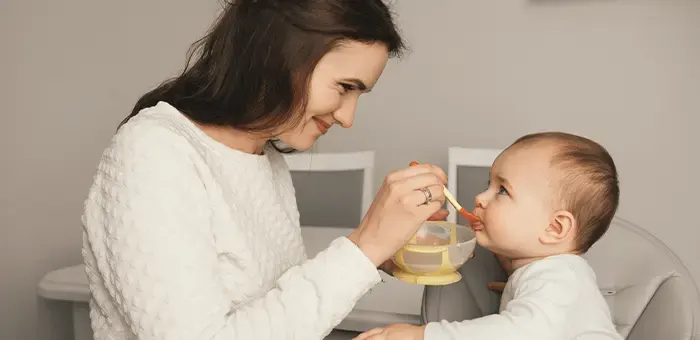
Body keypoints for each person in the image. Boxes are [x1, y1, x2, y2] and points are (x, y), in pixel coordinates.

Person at [80, 1, 450, 339]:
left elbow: (273, 309)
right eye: (344, 87)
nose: (347, 117)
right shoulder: (154, 150)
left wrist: (381, 251)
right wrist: (364, 247)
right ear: (278, 56)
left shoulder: (264, 157)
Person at [355, 131, 623, 340]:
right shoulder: (553, 276)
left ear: (555, 228)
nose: (480, 198)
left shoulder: (559, 279)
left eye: (503, 191)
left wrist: (421, 334)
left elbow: (518, 335)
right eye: (488, 185)